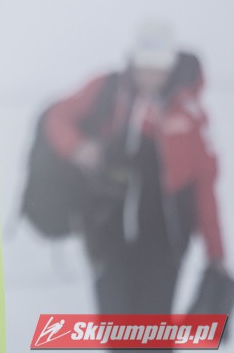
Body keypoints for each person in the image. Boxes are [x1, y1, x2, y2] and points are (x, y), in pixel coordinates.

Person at [41, 22, 228, 314]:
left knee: (152, 331)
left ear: (171, 66)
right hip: (108, 239)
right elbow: (57, 116)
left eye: (158, 66)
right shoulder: (110, 90)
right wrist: (78, 148)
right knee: (117, 329)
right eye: (145, 65)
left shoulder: (189, 115)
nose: (150, 74)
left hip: (165, 247)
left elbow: (204, 187)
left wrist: (216, 254)